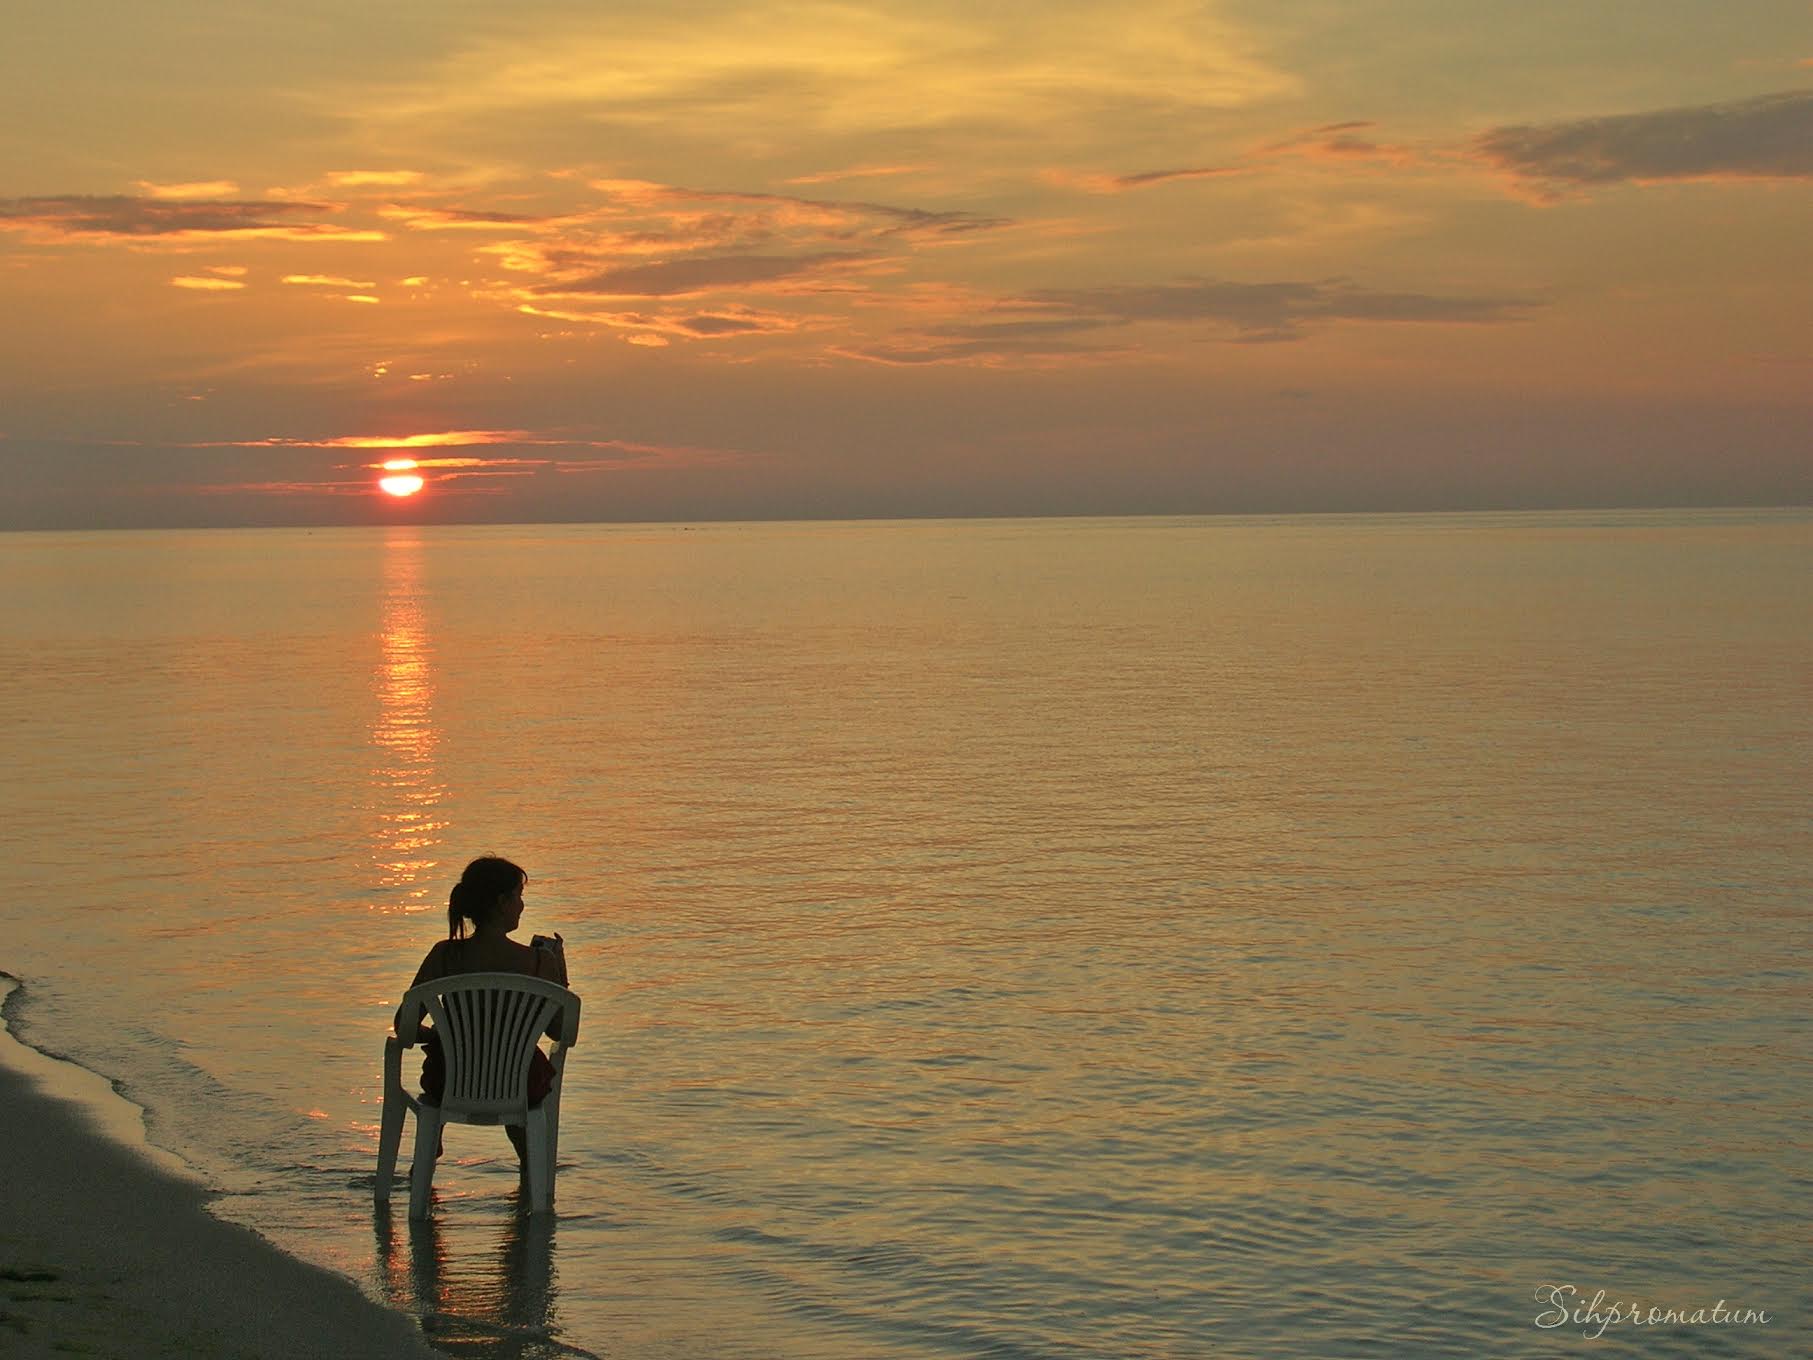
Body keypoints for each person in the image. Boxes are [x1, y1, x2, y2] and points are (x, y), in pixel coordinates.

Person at [401, 855, 568, 1167]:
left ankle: (424, 1165)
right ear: (502, 902)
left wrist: (440, 1037)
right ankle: (531, 1173)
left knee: (453, 1061)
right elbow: (558, 1032)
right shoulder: (539, 962)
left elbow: (405, 1026)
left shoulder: (444, 955)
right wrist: (560, 975)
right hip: (517, 1084)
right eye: (519, 896)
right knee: (517, 1065)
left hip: (450, 1081)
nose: (522, 905)